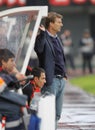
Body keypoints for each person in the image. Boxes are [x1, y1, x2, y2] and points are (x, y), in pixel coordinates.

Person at [34, 12, 67, 123]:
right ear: (51, 24)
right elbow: (38, 49)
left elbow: (60, 58)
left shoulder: (57, 38)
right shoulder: (42, 37)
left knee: (57, 115)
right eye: (59, 22)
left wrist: (64, 75)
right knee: (49, 114)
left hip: (61, 80)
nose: (61, 24)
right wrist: (42, 34)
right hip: (50, 80)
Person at [0, 49, 28, 130]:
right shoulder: (3, 74)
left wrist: (17, 82)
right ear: (3, 62)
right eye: (11, 61)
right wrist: (14, 77)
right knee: (15, 109)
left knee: (20, 106)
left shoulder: (4, 73)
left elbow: (7, 83)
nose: (14, 64)